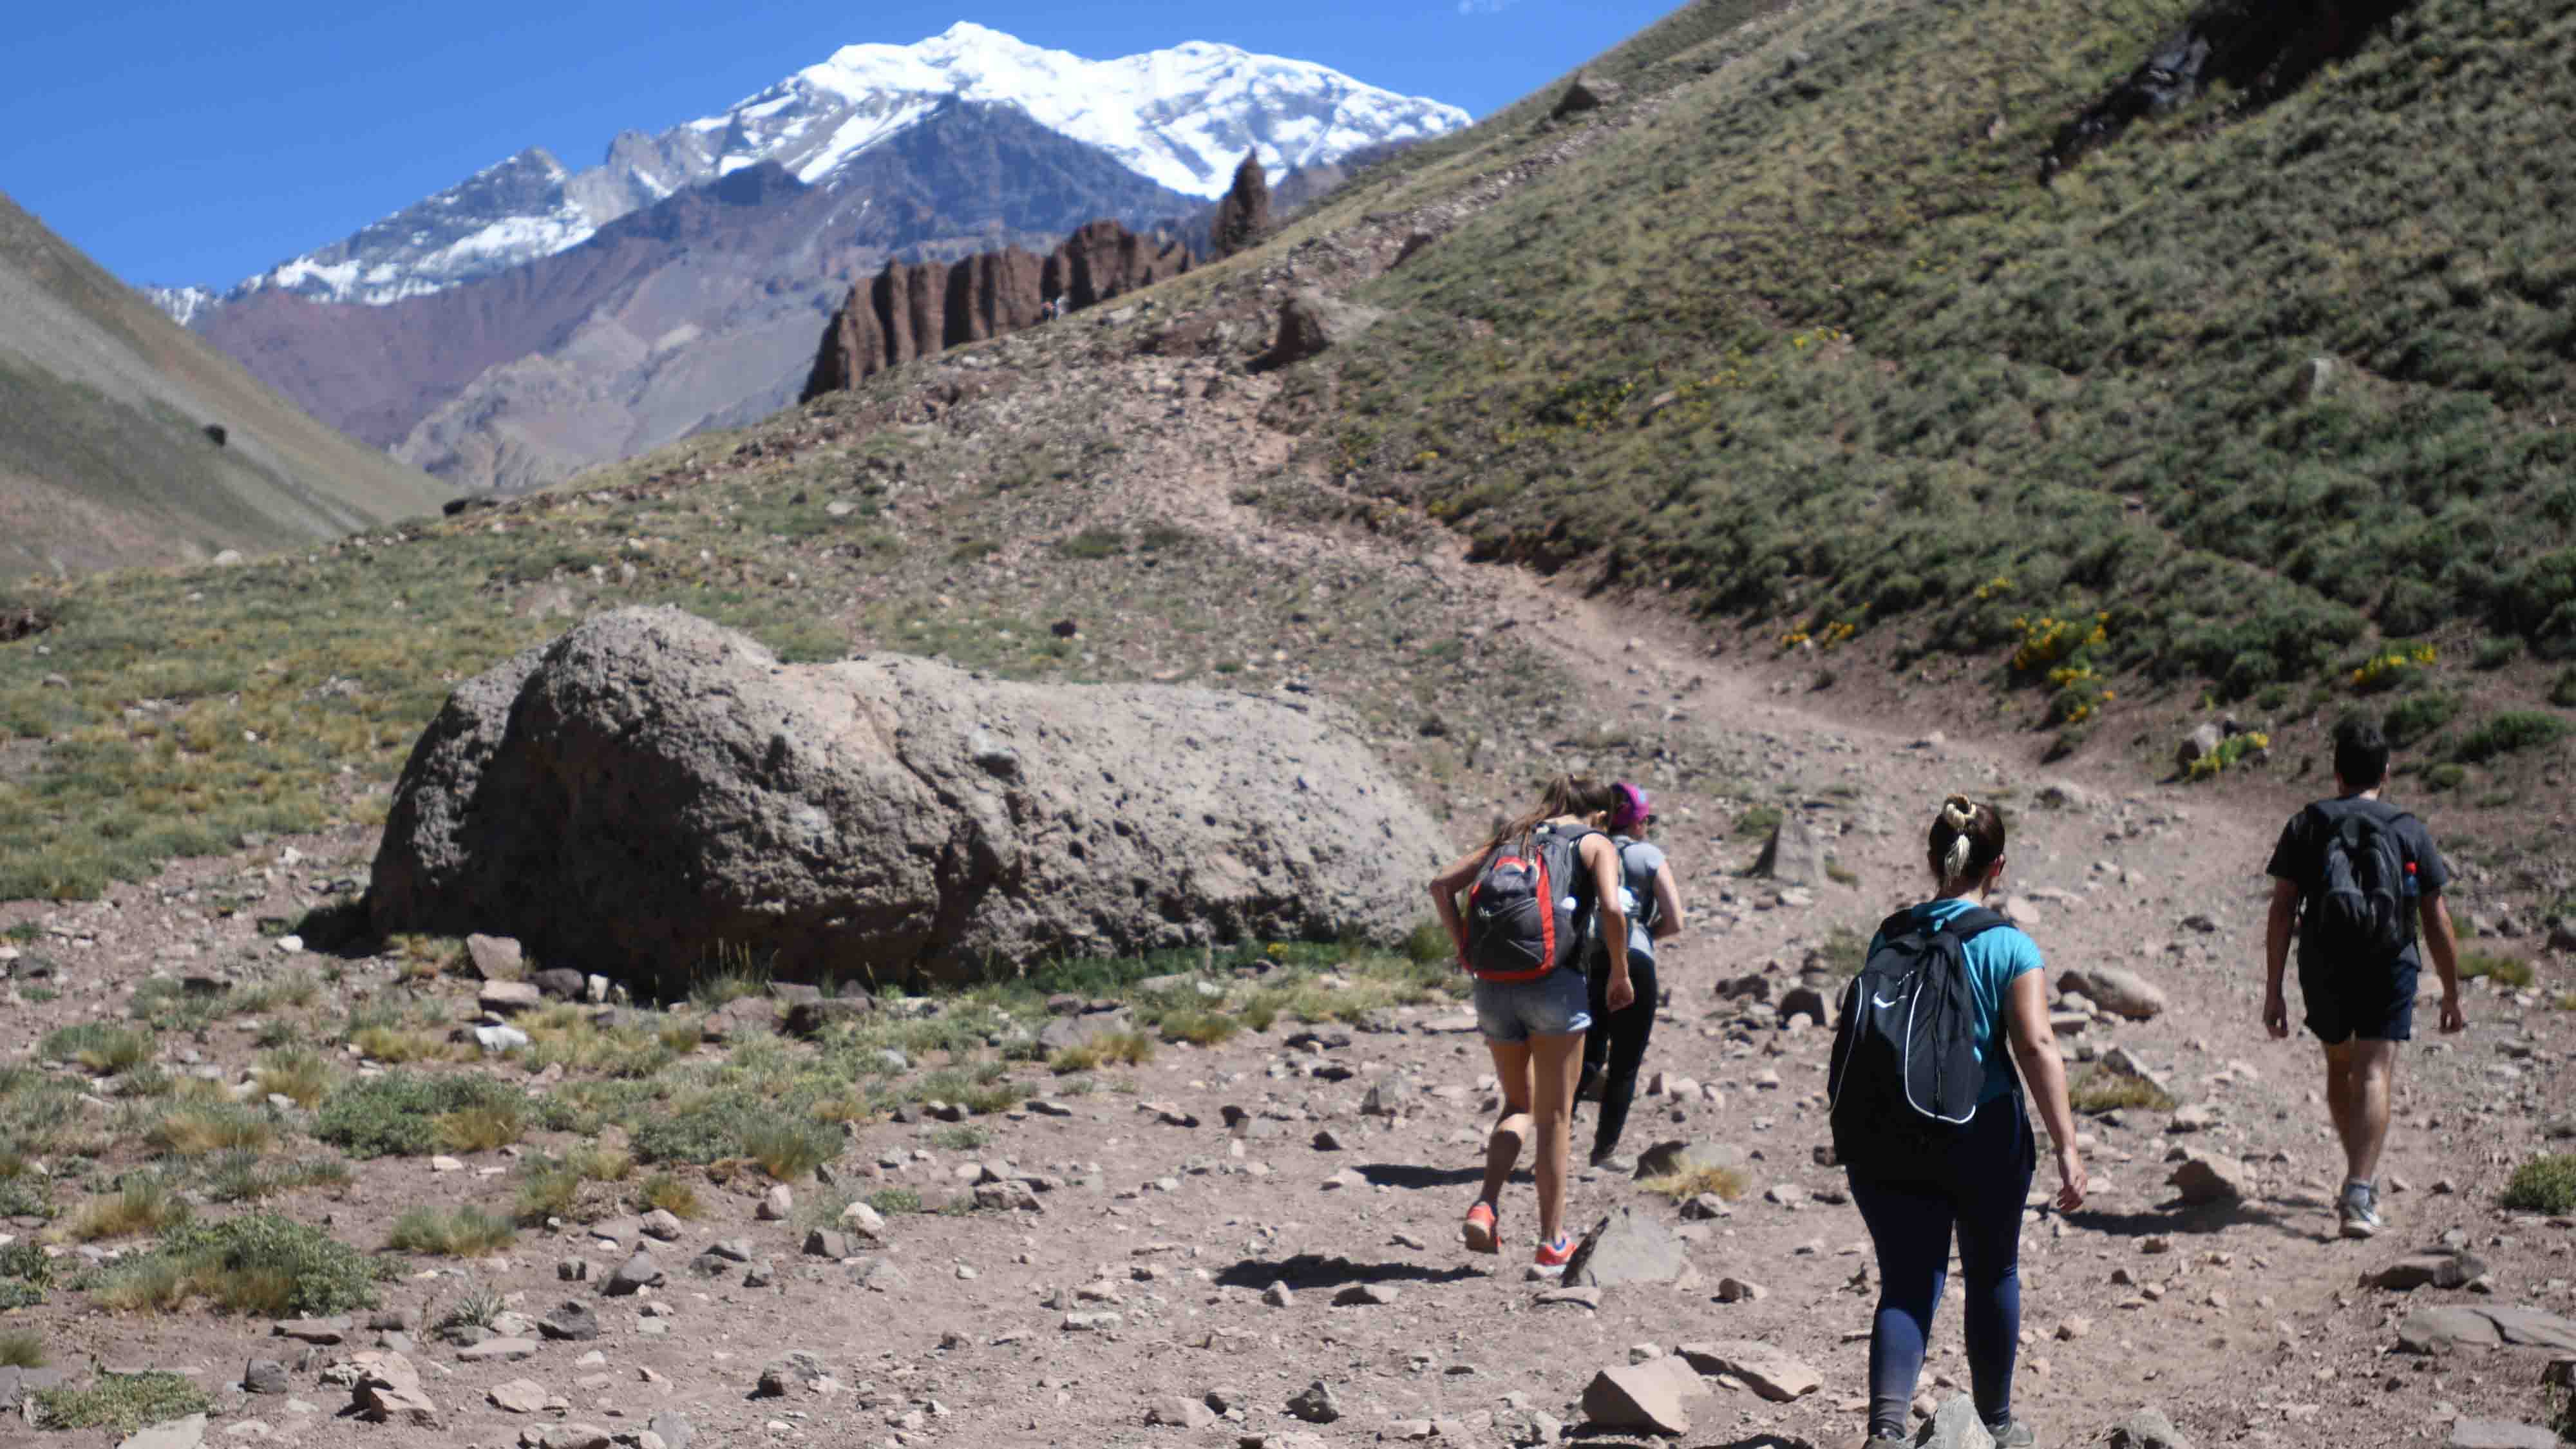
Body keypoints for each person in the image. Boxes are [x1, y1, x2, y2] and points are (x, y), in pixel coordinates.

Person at [1842, 796, 2085, 1449]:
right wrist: (2066, 1144)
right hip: (1982, 1134)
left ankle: (1886, 1429)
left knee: (1905, 1281)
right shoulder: (2009, 944)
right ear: (1997, 867)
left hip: (1889, 1135)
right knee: (1992, 1273)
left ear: (1932, 860)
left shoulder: (1890, 933)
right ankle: (1998, 1425)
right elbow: (2034, 1046)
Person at [2263, 719, 2465, 1240]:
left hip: (2323, 961)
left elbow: (2283, 909)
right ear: (2387, 772)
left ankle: (2355, 1173)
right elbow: (2436, 916)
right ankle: (2359, 1187)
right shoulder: (2407, 827)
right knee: (2374, 1070)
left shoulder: (2307, 823)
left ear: (2336, 772)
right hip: (2389, 960)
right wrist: (2450, 991)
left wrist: (2274, 990)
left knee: (2340, 1063)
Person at [1428, 775, 1633, 1269]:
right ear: (1600, 815)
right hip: (1555, 986)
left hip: (1493, 987)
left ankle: (1486, 1204)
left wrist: (1463, 948)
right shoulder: (1594, 841)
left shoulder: (1513, 836)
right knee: (1556, 1116)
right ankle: (1551, 1240)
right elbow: (1610, 907)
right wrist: (1620, 974)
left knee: (1518, 1102)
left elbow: (1440, 884)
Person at [1573, 782, 1686, 1168]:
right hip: (1635, 957)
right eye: (1647, 820)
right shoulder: (1649, 855)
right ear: (1638, 823)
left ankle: (1552, 1138)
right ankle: (1603, 1152)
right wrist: (1645, 936)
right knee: (1625, 1061)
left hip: (1592, 959)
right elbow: (1675, 920)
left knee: (1587, 1054)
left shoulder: (1589, 851)